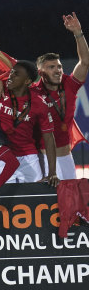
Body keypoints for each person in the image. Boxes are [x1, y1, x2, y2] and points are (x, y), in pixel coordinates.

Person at [31, 12, 89, 180]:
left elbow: (85, 62)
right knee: (46, 204)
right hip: (42, 160)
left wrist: (78, 33)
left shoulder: (69, 85)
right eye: (51, 67)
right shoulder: (32, 92)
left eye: (59, 66)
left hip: (66, 158)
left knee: (72, 205)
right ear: (41, 72)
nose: (58, 70)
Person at [0, 61, 59, 186]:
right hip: (3, 157)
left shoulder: (39, 104)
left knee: (34, 199)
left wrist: (52, 172)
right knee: (0, 201)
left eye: (16, 74)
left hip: (28, 158)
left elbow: (49, 137)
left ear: (27, 81)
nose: (10, 76)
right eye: (12, 72)